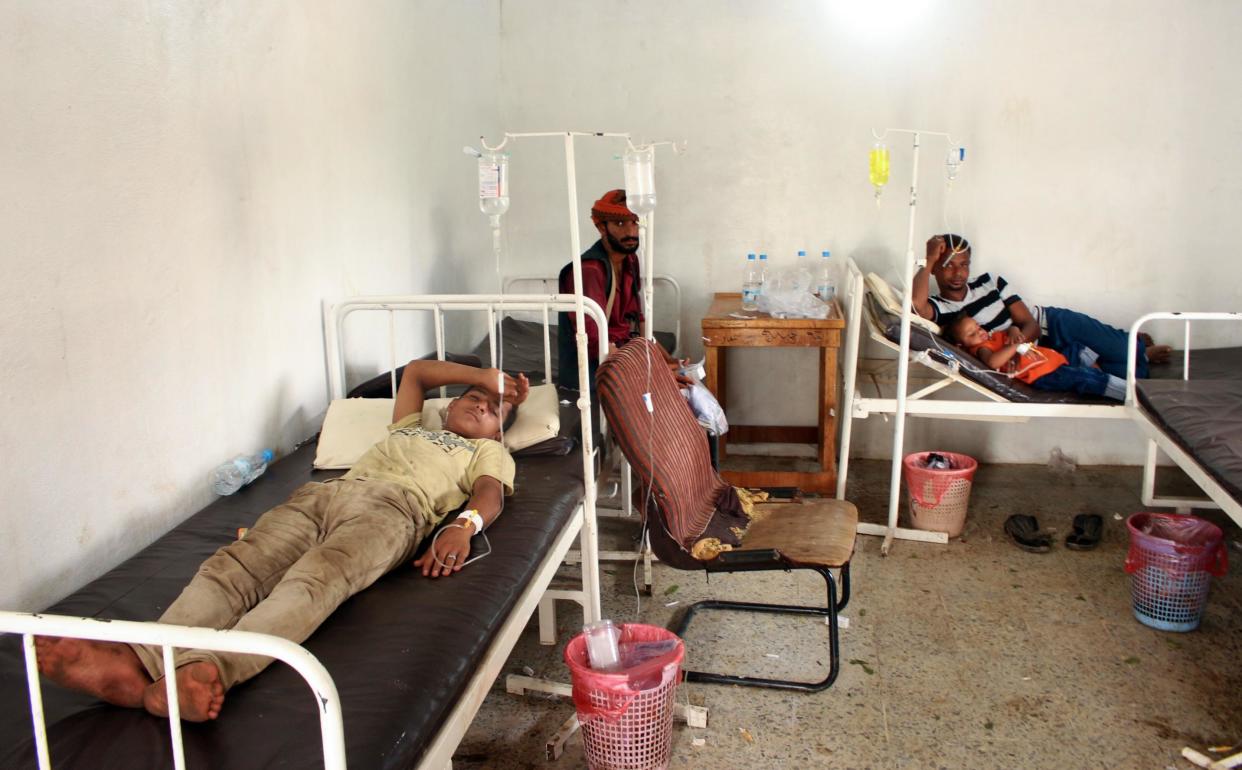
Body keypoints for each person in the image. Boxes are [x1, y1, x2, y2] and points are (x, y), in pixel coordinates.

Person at [35, 359, 529, 722]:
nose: (482, 404)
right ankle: (142, 661)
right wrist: (485, 376)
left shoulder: (485, 452)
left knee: (312, 582)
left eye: (492, 410)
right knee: (233, 568)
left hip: (393, 512)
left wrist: (463, 527)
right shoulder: (410, 427)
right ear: (451, 405)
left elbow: (490, 496)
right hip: (324, 494)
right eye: (473, 396)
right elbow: (418, 374)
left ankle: (205, 670)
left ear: (499, 433)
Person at [912, 234, 1171, 380]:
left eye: (964, 264)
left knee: (1122, 350)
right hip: (1036, 353)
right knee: (1125, 373)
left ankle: (1136, 346)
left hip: (1052, 326)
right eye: (948, 265)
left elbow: (1030, 324)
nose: (958, 273)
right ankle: (1138, 352)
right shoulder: (940, 308)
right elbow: (915, 304)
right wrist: (930, 257)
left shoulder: (990, 282)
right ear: (935, 269)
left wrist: (1017, 342)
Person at [557, 189, 687, 390]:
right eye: (620, 224)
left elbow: (639, 324)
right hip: (592, 372)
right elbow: (596, 342)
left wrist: (669, 361)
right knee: (668, 391)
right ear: (601, 227)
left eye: (635, 222)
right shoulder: (588, 271)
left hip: (621, 356)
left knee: (685, 382)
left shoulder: (630, 261)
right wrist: (652, 374)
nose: (631, 232)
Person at [948, 315, 1126, 401]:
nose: (980, 333)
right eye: (972, 334)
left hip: (1054, 362)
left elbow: (1012, 329)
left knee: (1078, 349)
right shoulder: (981, 349)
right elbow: (993, 361)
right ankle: (1129, 394)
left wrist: (1014, 332)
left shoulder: (993, 337)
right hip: (1044, 374)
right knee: (1085, 378)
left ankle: (1100, 383)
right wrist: (1016, 346)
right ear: (961, 346)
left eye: (978, 327)